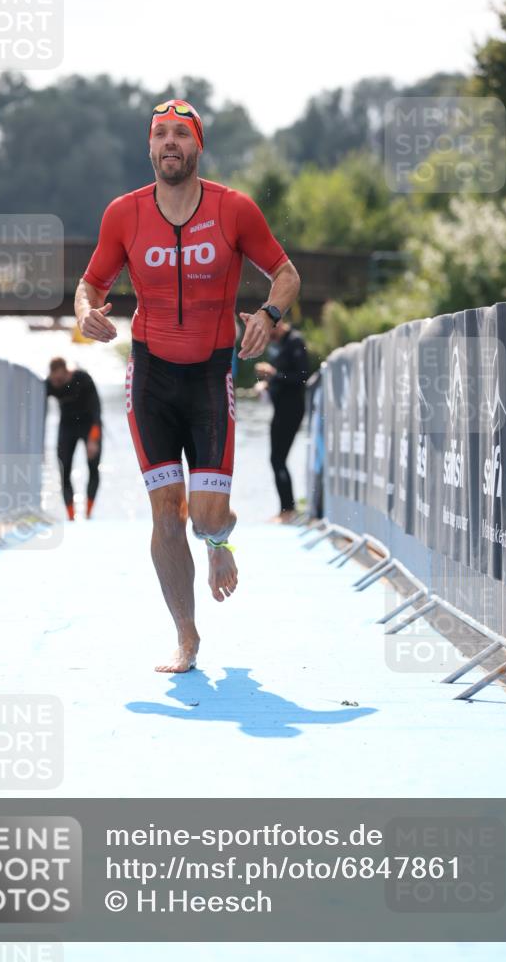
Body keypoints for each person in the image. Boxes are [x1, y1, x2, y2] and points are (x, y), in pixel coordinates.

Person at [74, 99, 300, 673]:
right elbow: (90, 282)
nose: (170, 142)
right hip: (150, 377)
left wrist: (268, 316)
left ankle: (219, 538)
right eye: (160, 134)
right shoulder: (123, 215)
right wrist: (84, 312)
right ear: (149, 148)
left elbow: (285, 273)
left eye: (181, 133)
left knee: (203, 514)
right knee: (166, 513)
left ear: (198, 147)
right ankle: (187, 637)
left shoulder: (234, 210)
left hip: (208, 376)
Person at [255, 321, 309, 521]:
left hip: (292, 410)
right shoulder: (279, 345)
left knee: (278, 459)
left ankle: (288, 510)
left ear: (278, 325)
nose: (267, 335)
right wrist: (266, 385)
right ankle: (286, 509)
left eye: (269, 330)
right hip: (280, 410)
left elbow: (302, 376)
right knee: (276, 459)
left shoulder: (295, 342)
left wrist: (274, 374)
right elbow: (281, 378)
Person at [45, 357, 102, 521]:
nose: (57, 383)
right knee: (63, 470)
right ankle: (71, 516)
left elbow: (97, 410)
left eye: (60, 379)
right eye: (54, 380)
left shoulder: (82, 379)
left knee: (93, 467)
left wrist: (94, 438)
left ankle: (88, 513)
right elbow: (38, 409)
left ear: (66, 372)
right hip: (67, 427)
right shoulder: (50, 384)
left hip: (89, 424)